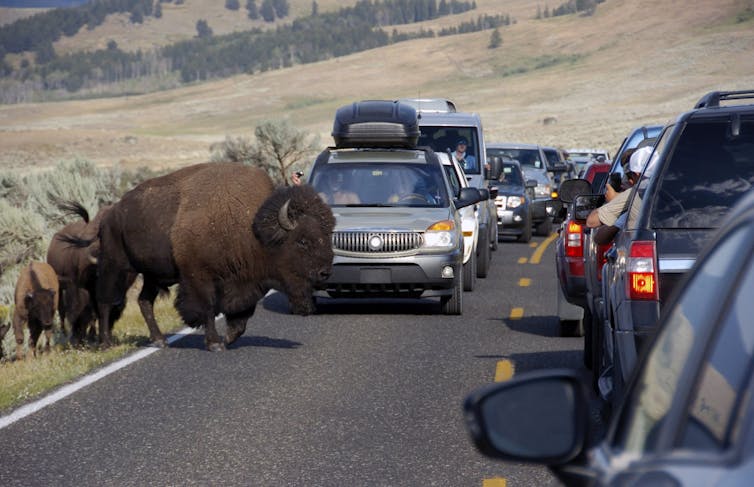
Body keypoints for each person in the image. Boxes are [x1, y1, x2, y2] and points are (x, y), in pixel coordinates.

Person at [587, 146, 653, 232]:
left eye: (630, 175)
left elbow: (592, 222)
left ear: (637, 174)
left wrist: (616, 198)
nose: (629, 180)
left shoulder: (633, 194)